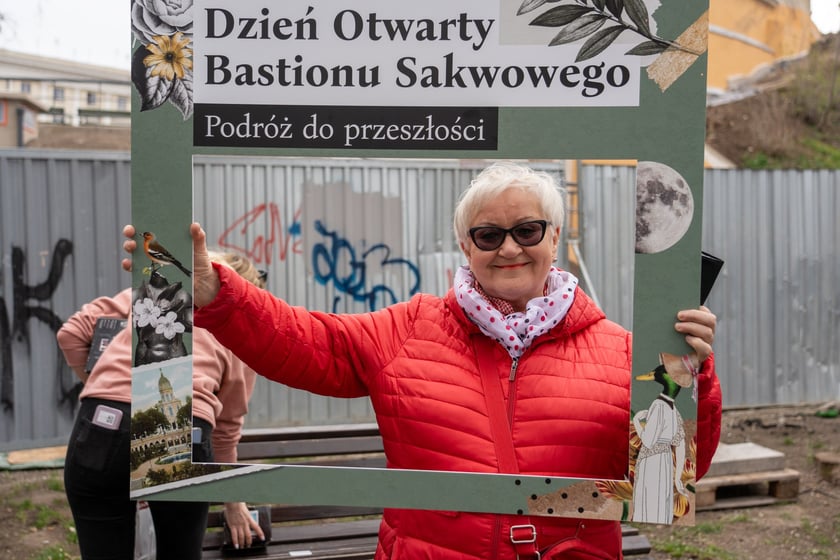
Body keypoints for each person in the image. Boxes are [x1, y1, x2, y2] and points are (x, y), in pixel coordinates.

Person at [123, 161, 722, 559]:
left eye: (527, 230)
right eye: (488, 235)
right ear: (466, 246)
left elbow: (666, 480)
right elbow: (307, 342)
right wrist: (217, 292)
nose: (509, 248)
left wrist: (692, 375)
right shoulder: (410, 328)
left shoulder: (624, 350)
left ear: (555, 237)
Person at [58, 250, 267, 560]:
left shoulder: (153, 294)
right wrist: (233, 504)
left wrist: (108, 386)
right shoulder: (236, 325)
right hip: (182, 428)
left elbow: (71, 334)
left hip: (102, 423)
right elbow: (225, 431)